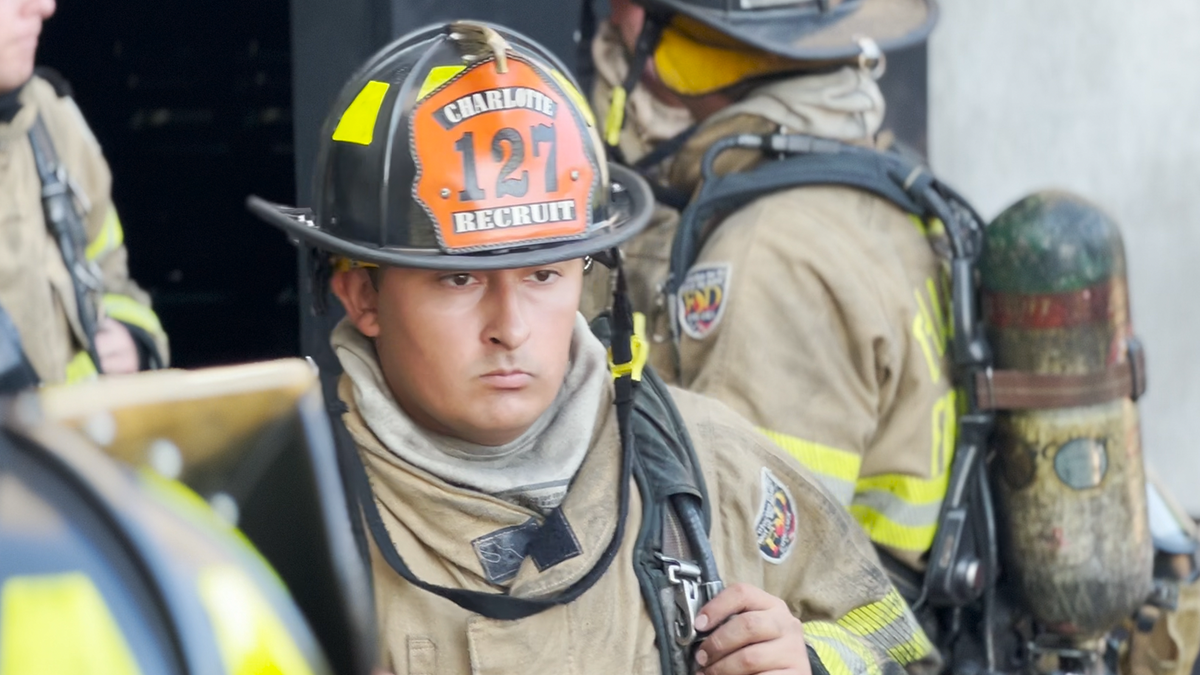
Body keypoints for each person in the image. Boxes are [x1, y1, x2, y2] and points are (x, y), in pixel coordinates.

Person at [250, 21, 937, 675]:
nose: (510, 326)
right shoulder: (276, 516)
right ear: (361, 296)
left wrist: (811, 661)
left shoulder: (705, 468)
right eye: (458, 278)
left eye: (544, 274)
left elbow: (894, 644)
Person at [581, 2, 1200, 674]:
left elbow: (735, 579)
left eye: (641, 6)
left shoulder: (774, 256)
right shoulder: (862, 177)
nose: (617, 20)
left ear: (705, 43)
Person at [0, 0, 169, 384]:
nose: (43, 6)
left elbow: (107, 269)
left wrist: (132, 340)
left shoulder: (51, 118)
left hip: (62, 441)